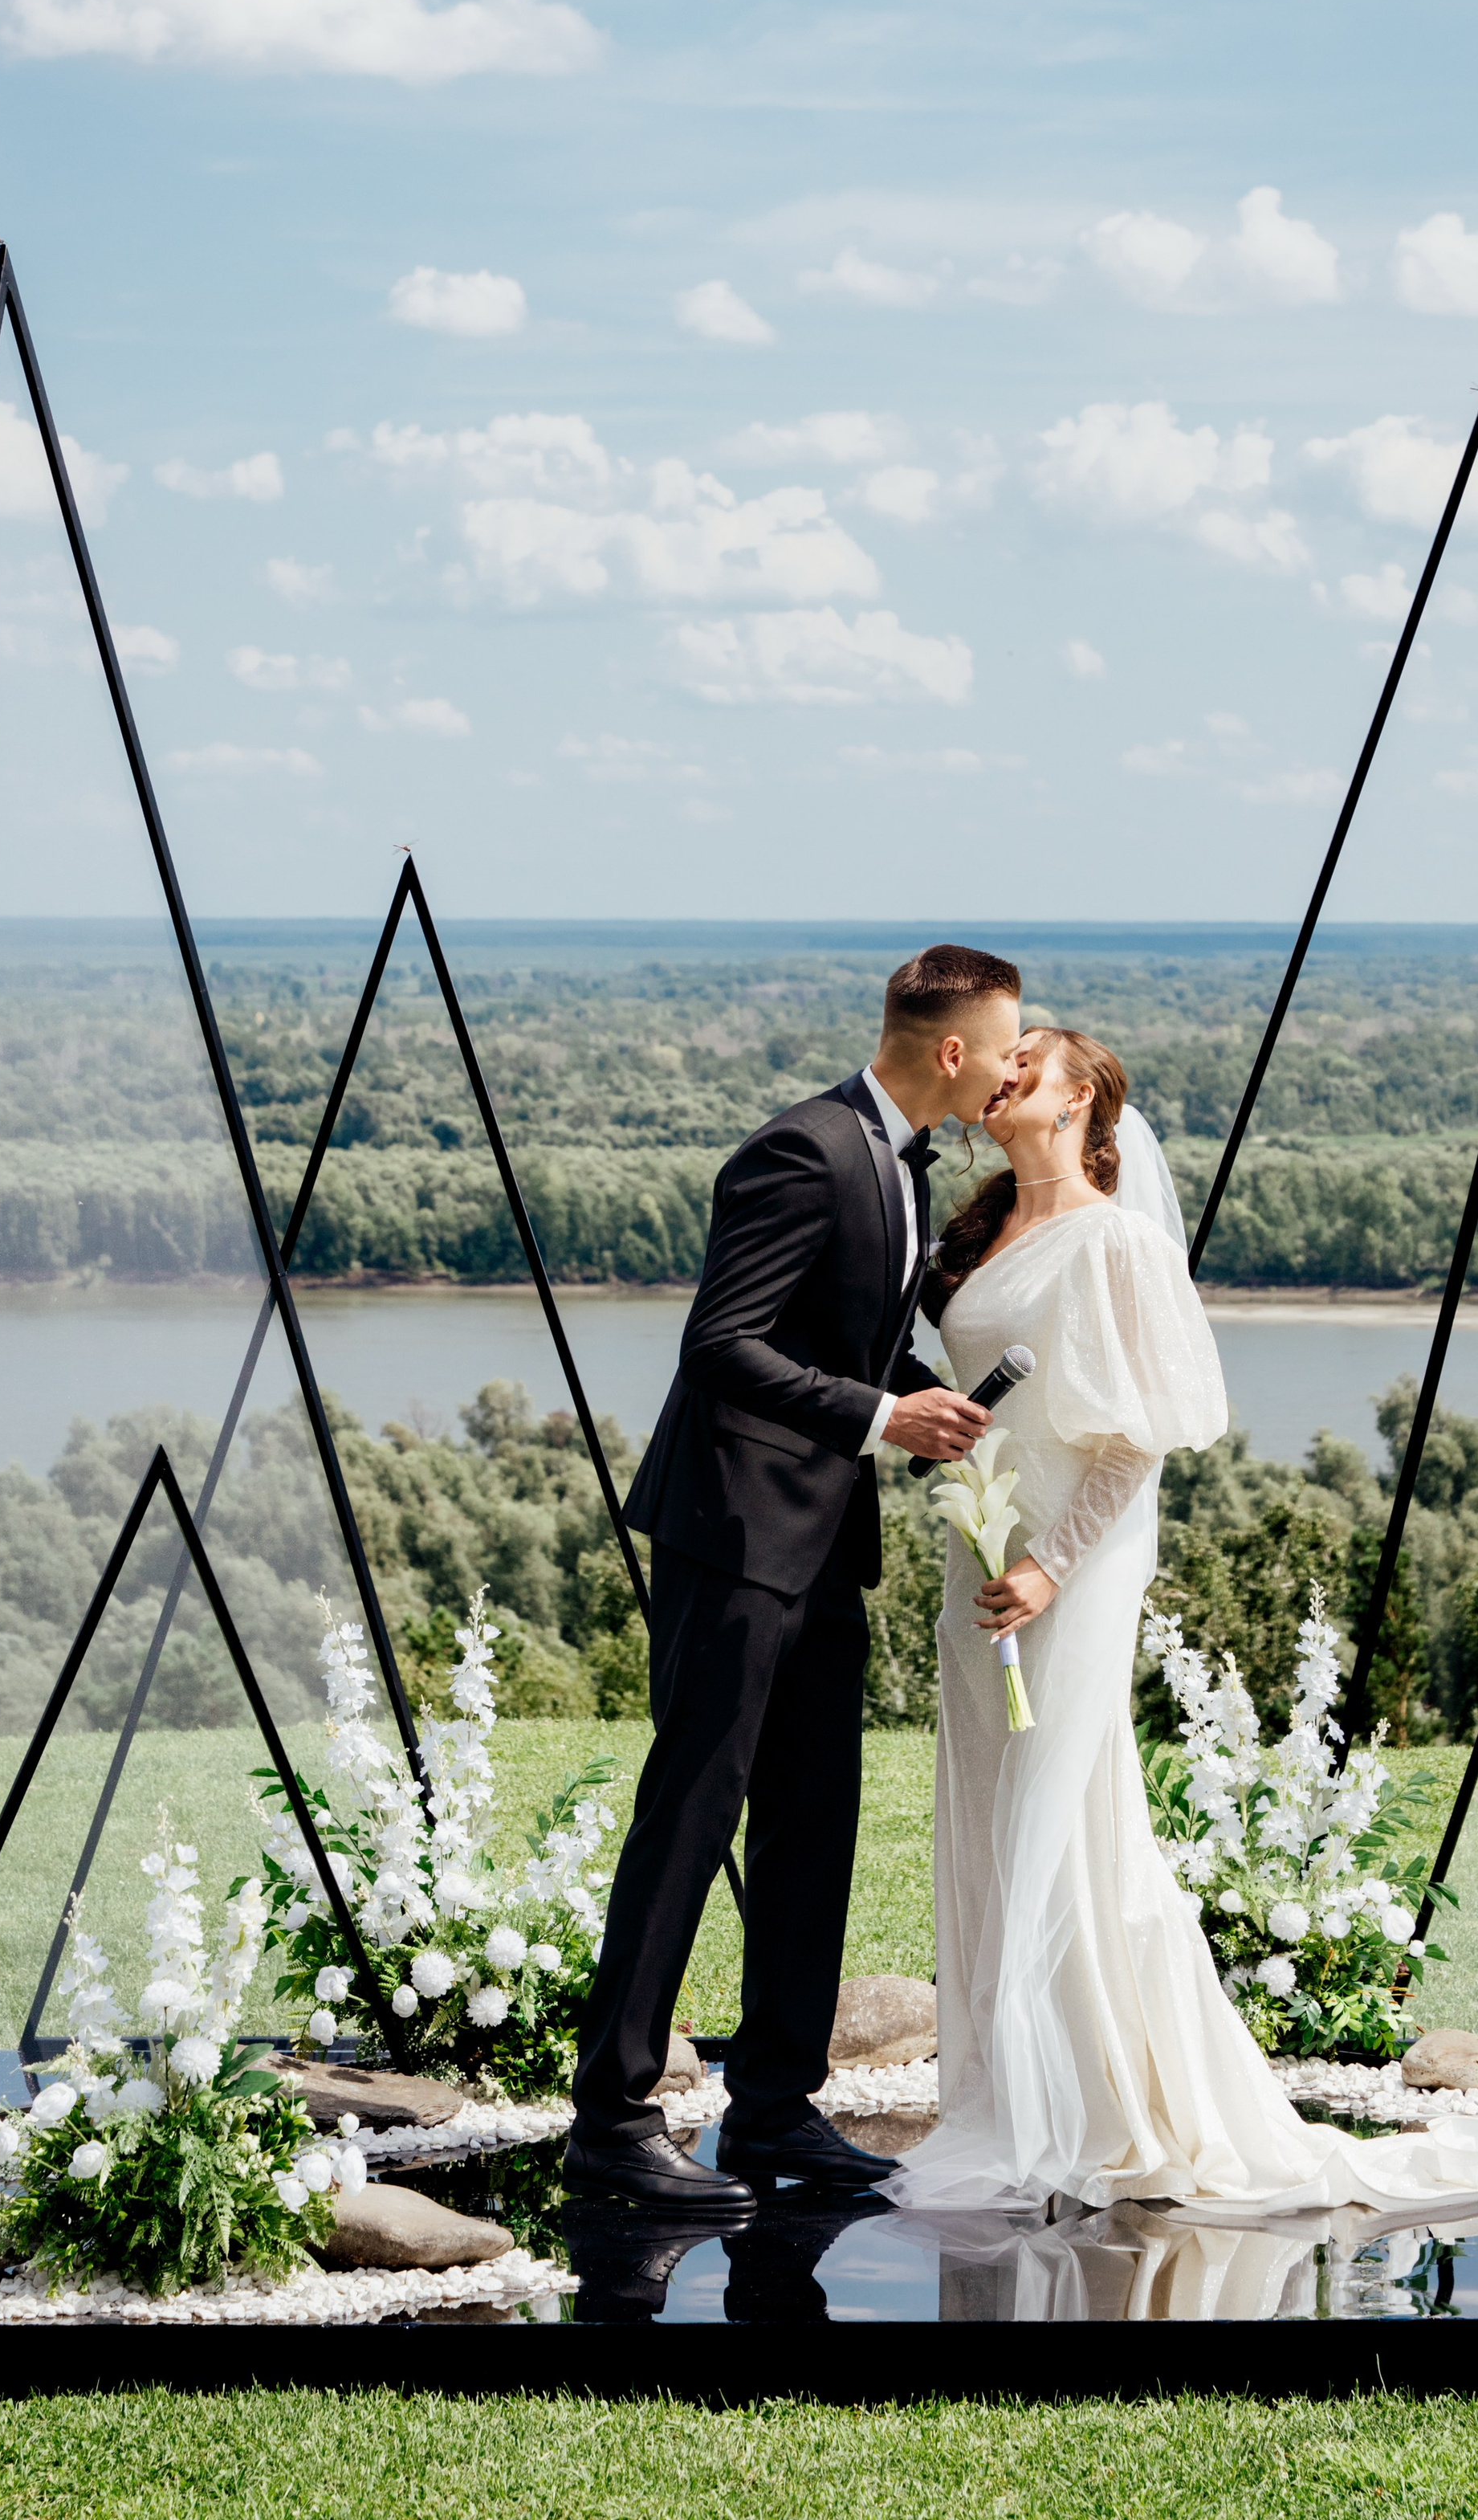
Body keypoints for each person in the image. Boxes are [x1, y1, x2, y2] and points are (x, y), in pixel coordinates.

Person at [881, 1025, 1478, 2224]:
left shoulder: (1117, 1239)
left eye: (1031, 1057)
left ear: (1082, 1100)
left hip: (1068, 1565)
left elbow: (1143, 1433)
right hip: (982, 1555)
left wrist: (1055, 1571)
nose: (1004, 1070)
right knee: (994, 1815)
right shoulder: (978, 1230)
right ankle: (1020, 2088)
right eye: (1000, 1055)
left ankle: (1122, 2108)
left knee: (1067, 1812)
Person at [563, 943, 1026, 2213]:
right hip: (735, 1532)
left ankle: (774, 2106)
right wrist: (887, 1415)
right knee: (694, 1810)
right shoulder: (803, 1148)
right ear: (950, 1050)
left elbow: (861, 1319)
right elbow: (720, 1345)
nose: (1008, 1063)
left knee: (815, 1818)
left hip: (821, 1545)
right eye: (1004, 1043)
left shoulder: (899, 1161)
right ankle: (611, 2118)